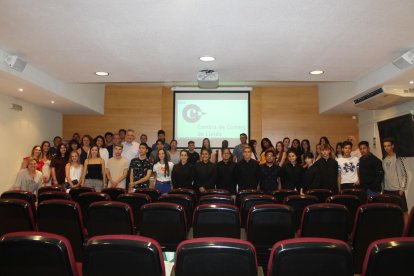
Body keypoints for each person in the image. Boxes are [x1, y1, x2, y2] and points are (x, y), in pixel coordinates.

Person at [382, 138, 408, 214]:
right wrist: (382, 189)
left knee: (403, 212)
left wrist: (402, 188)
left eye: (388, 146)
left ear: (392, 146)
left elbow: (405, 175)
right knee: (390, 212)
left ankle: (406, 226)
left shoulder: (398, 158)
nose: (386, 148)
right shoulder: (384, 159)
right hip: (387, 190)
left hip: (397, 190)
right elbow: (384, 175)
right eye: (385, 146)